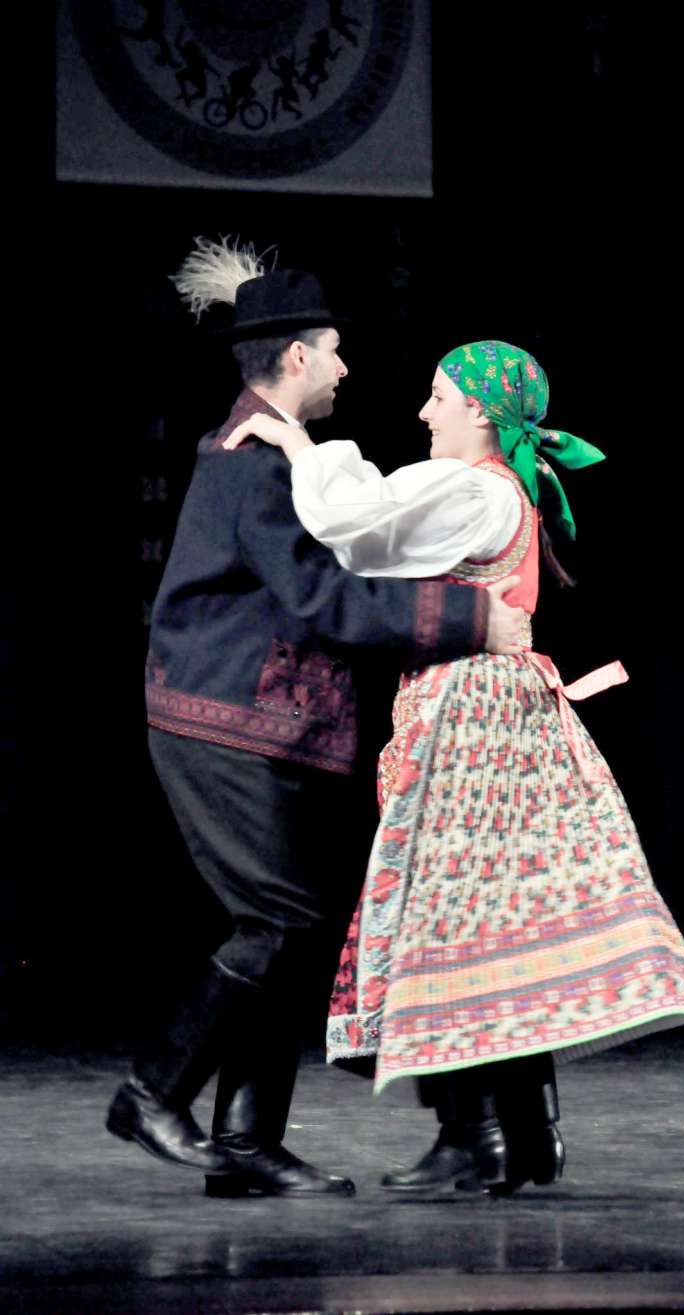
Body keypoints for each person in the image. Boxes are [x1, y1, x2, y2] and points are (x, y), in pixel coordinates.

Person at [224, 339, 684, 1195]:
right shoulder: (494, 492)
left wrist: (300, 445)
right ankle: (524, 1134)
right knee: (495, 918)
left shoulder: (473, 491)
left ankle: (480, 1136)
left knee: (451, 915)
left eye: (437, 396)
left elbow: (357, 525)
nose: (424, 412)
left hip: (472, 713)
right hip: (500, 713)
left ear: (480, 412)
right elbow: (378, 537)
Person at [105, 243, 527, 1201]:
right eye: (334, 350)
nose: (345, 366)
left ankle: (246, 1145)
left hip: (258, 721)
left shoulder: (271, 451)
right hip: (221, 720)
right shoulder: (253, 460)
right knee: (279, 918)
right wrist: (471, 619)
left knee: (290, 925)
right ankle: (151, 1091)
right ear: (297, 355)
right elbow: (320, 598)